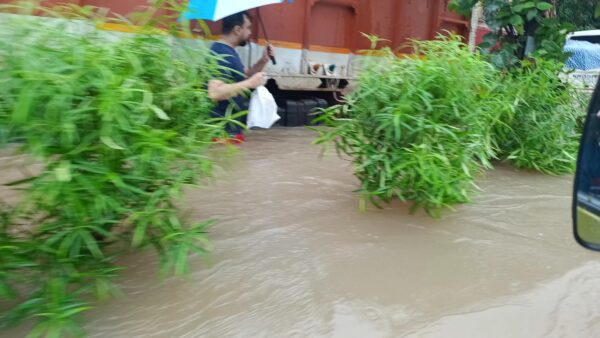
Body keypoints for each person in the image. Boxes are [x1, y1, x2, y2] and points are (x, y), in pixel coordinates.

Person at [207, 11, 275, 143]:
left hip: (229, 132)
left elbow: (244, 75)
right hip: (221, 133)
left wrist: (263, 60)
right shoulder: (219, 52)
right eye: (248, 28)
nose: (250, 33)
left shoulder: (229, 51)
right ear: (237, 30)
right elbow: (214, 92)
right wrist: (250, 83)